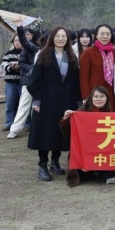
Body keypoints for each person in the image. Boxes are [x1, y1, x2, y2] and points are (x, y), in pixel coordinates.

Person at [27, 27, 82, 182]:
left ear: (68, 39)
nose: (60, 39)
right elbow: (35, 80)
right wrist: (37, 100)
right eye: (57, 36)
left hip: (66, 101)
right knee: (45, 133)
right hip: (46, 101)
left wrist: (78, 102)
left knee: (60, 132)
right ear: (52, 38)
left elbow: (76, 82)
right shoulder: (44, 55)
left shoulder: (71, 56)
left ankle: (55, 162)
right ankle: (42, 165)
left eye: (64, 36)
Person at [60, 85, 112, 187]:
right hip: (85, 151)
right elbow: (67, 132)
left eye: (102, 96)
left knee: (110, 173)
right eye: (96, 96)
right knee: (83, 173)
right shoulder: (82, 112)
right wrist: (65, 119)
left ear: (107, 98)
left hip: (102, 149)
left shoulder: (110, 113)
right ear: (91, 98)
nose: (99, 99)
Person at [7, 23, 42, 139]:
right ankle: (14, 129)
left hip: (42, 83)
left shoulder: (48, 52)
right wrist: (33, 70)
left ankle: (37, 129)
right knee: (23, 106)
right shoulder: (31, 49)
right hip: (28, 82)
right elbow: (22, 63)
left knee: (39, 107)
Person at [80, 24, 115, 111]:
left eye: (108, 34)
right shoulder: (88, 53)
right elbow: (83, 77)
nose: (105, 36)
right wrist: (86, 97)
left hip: (111, 94)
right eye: (102, 34)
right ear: (96, 35)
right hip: (95, 95)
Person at [1, 35, 23, 131]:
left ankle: (26, 123)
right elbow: (4, 65)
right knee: (10, 104)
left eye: (19, 40)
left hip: (22, 83)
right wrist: (11, 67)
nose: (17, 42)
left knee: (23, 104)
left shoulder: (26, 53)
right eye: (15, 40)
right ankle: (9, 123)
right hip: (10, 83)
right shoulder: (8, 54)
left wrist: (20, 67)